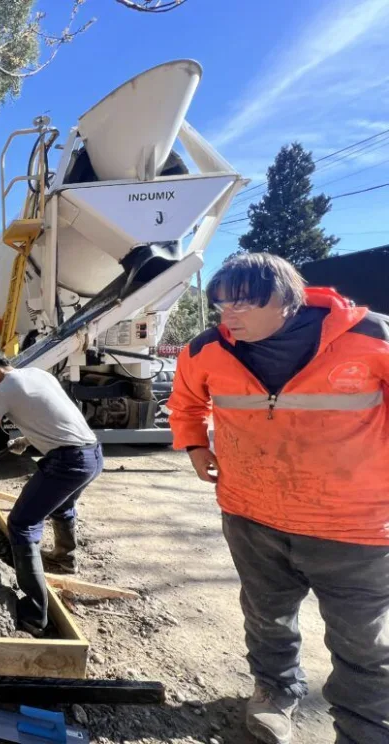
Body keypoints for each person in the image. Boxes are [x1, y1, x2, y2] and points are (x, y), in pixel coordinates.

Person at [168, 253, 389, 744]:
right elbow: (185, 403)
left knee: (363, 642)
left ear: (287, 299)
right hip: (251, 515)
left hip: (353, 527)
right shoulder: (206, 349)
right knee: (267, 615)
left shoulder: (371, 336)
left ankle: (366, 729)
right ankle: (274, 689)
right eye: (222, 305)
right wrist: (196, 445)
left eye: (243, 303)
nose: (229, 316)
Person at [0, 350, 102, 635]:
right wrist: (29, 438)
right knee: (61, 504)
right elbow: (57, 412)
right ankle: (64, 558)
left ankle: (34, 615)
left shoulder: (2, 389)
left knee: (21, 524)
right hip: (93, 454)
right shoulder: (37, 374)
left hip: (68, 462)